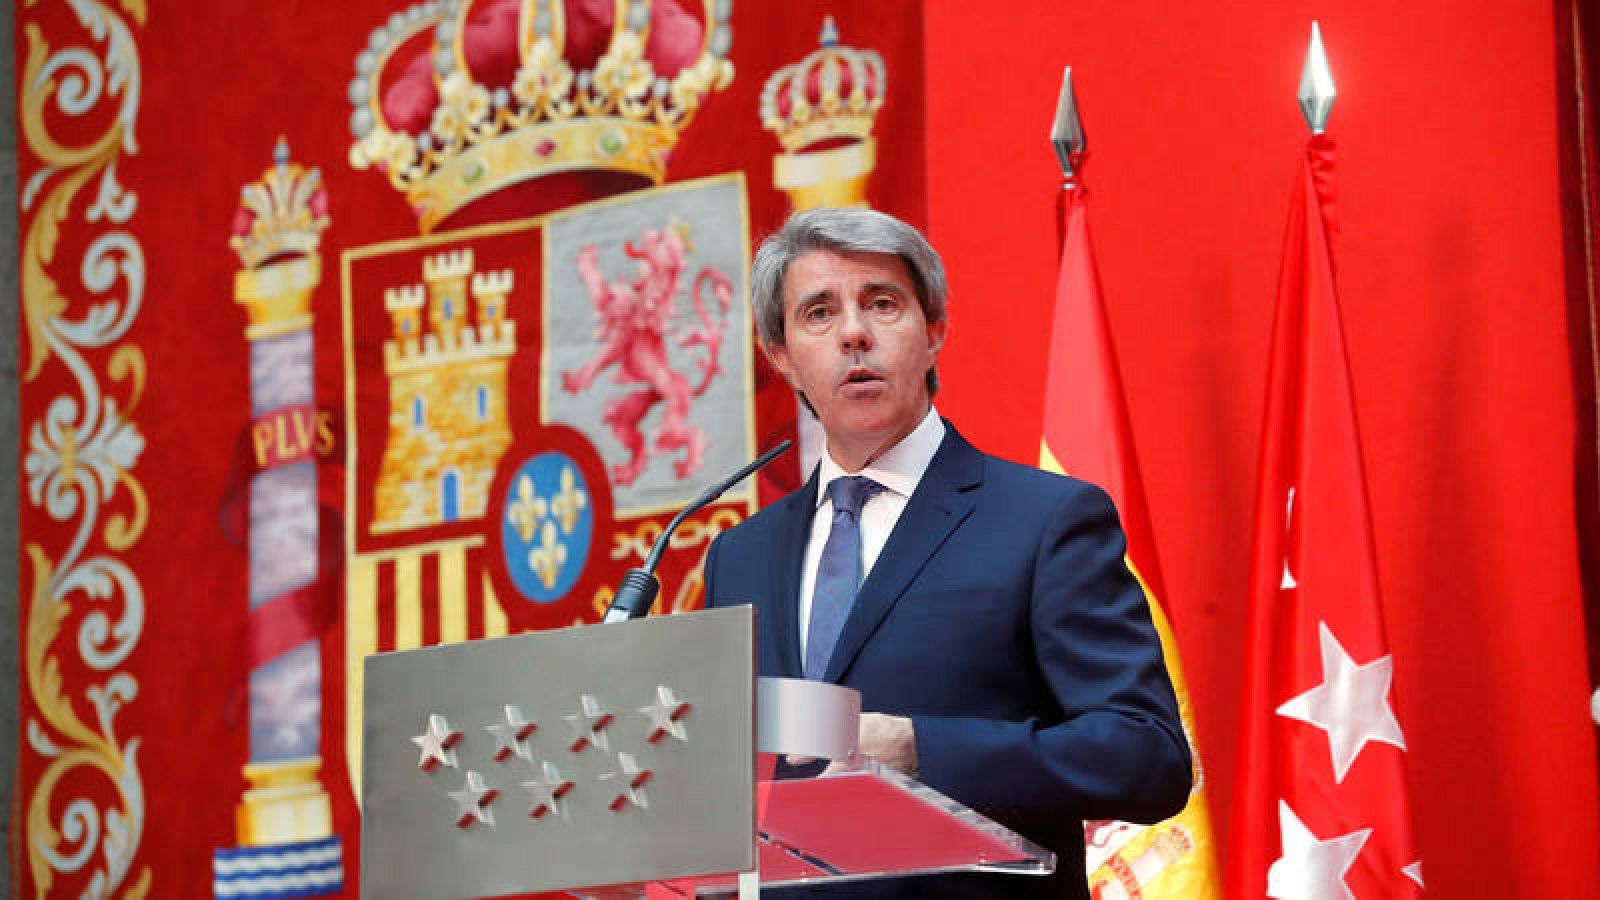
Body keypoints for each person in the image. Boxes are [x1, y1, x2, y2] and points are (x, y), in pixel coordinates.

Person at [704, 208, 1191, 899]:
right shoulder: (739, 556)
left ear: (934, 332)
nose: (854, 333)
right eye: (818, 313)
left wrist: (918, 748)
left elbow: (1147, 758)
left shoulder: (1043, 521)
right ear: (780, 356)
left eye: (882, 303)